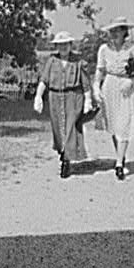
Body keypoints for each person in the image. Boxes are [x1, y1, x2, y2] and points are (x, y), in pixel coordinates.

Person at [33, 31, 93, 178]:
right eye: (60, 45)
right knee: (58, 129)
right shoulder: (52, 61)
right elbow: (44, 80)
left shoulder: (78, 62)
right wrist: (38, 96)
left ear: (70, 45)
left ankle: (66, 162)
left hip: (73, 97)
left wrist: (88, 100)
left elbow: (85, 83)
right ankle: (63, 151)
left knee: (70, 127)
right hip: (55, 97)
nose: (63, 47)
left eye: (66, 44)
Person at [92, 16, 134, 181]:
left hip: (127, 88)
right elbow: (100, 70)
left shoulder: (133, 49)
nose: (114, 34)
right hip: (110, 85)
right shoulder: (104, 49)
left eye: (118, 30)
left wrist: (131, 80)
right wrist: (96, 87)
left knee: (124, 124)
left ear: (124, 32)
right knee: (114, 126)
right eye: (112, 31)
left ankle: (119, 164)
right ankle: (120, 157)